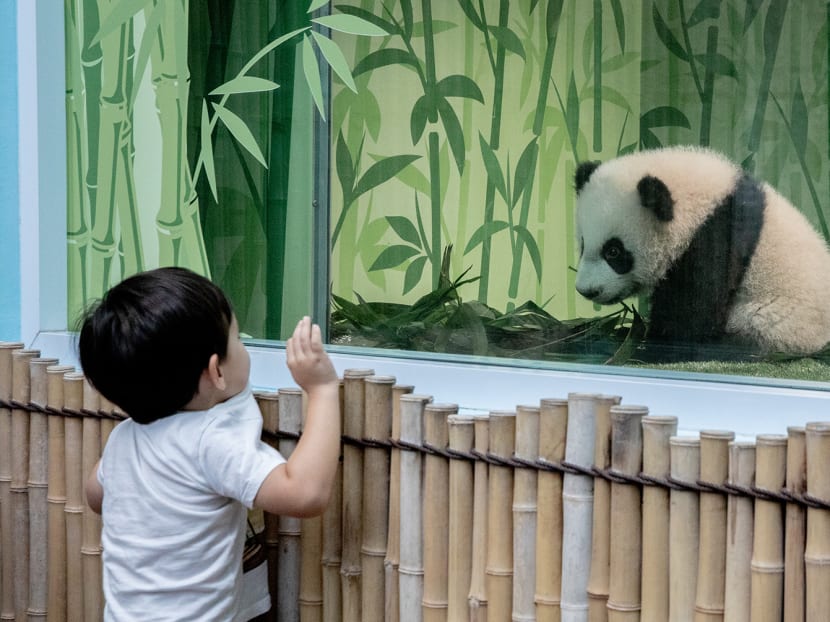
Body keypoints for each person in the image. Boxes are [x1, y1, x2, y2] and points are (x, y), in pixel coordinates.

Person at [79, 267, 341, 621]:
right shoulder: (210, 442)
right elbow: (306, 493)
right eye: (238, 338)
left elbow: (96, 495)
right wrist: (322, 389)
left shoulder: (123, 439)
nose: (243, 345)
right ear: (217, 371)